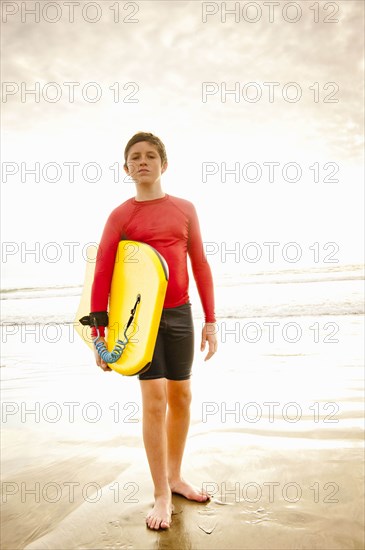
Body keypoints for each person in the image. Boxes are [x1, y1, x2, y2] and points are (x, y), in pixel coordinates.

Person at [90, 132, 218, 530]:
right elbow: (103, 273)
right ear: (125, 168)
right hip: (138, 321)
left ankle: (176, 477)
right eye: (134, 157)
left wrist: (211, 321)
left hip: (180, 313)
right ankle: (161, 493)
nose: (142, 161)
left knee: (182, 394)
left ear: (165, 164)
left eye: (150, 156)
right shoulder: (120, 216)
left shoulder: (185, 209)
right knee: (154, 399)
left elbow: (199, 265)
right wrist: (100, 335)